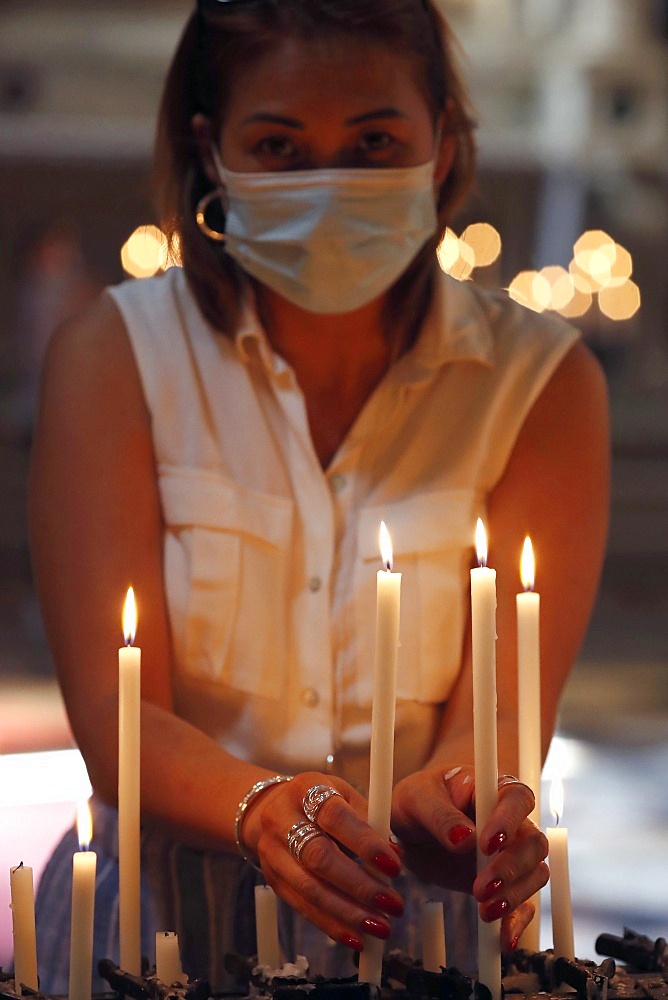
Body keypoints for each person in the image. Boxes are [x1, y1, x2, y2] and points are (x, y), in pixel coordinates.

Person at [29, 0, 610, 993]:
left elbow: (498, 712)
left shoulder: (537, 384)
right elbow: (117, 716)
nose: (327, 181)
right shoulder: (117, 359)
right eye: (279, 144)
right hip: (153, 928)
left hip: (408, 930)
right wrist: (263, 805)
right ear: (212, 152)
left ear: (441, 144)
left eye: (373, 141)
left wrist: (465, 800)